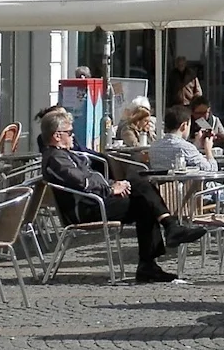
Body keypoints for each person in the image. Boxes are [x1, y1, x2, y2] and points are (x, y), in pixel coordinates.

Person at [39, 110, 205, 283]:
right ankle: (166, 234)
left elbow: (92, 179)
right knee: (143, 198)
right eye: (70, 132)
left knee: (141, 187)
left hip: (96, 200)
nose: (73, 136)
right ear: (57, 136)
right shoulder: (56, 158)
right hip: (86, 209)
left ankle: (157, 250)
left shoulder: (66, 154)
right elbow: (82, 182)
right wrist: (111, 188)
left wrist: (117, 185)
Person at [149, 105, 217, 171]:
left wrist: (197, 144)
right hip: (183, 182)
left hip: (161, 182)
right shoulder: (185, 148)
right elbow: (212, 169)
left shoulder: (154, 147)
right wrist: (208, 150)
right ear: (184, 126)